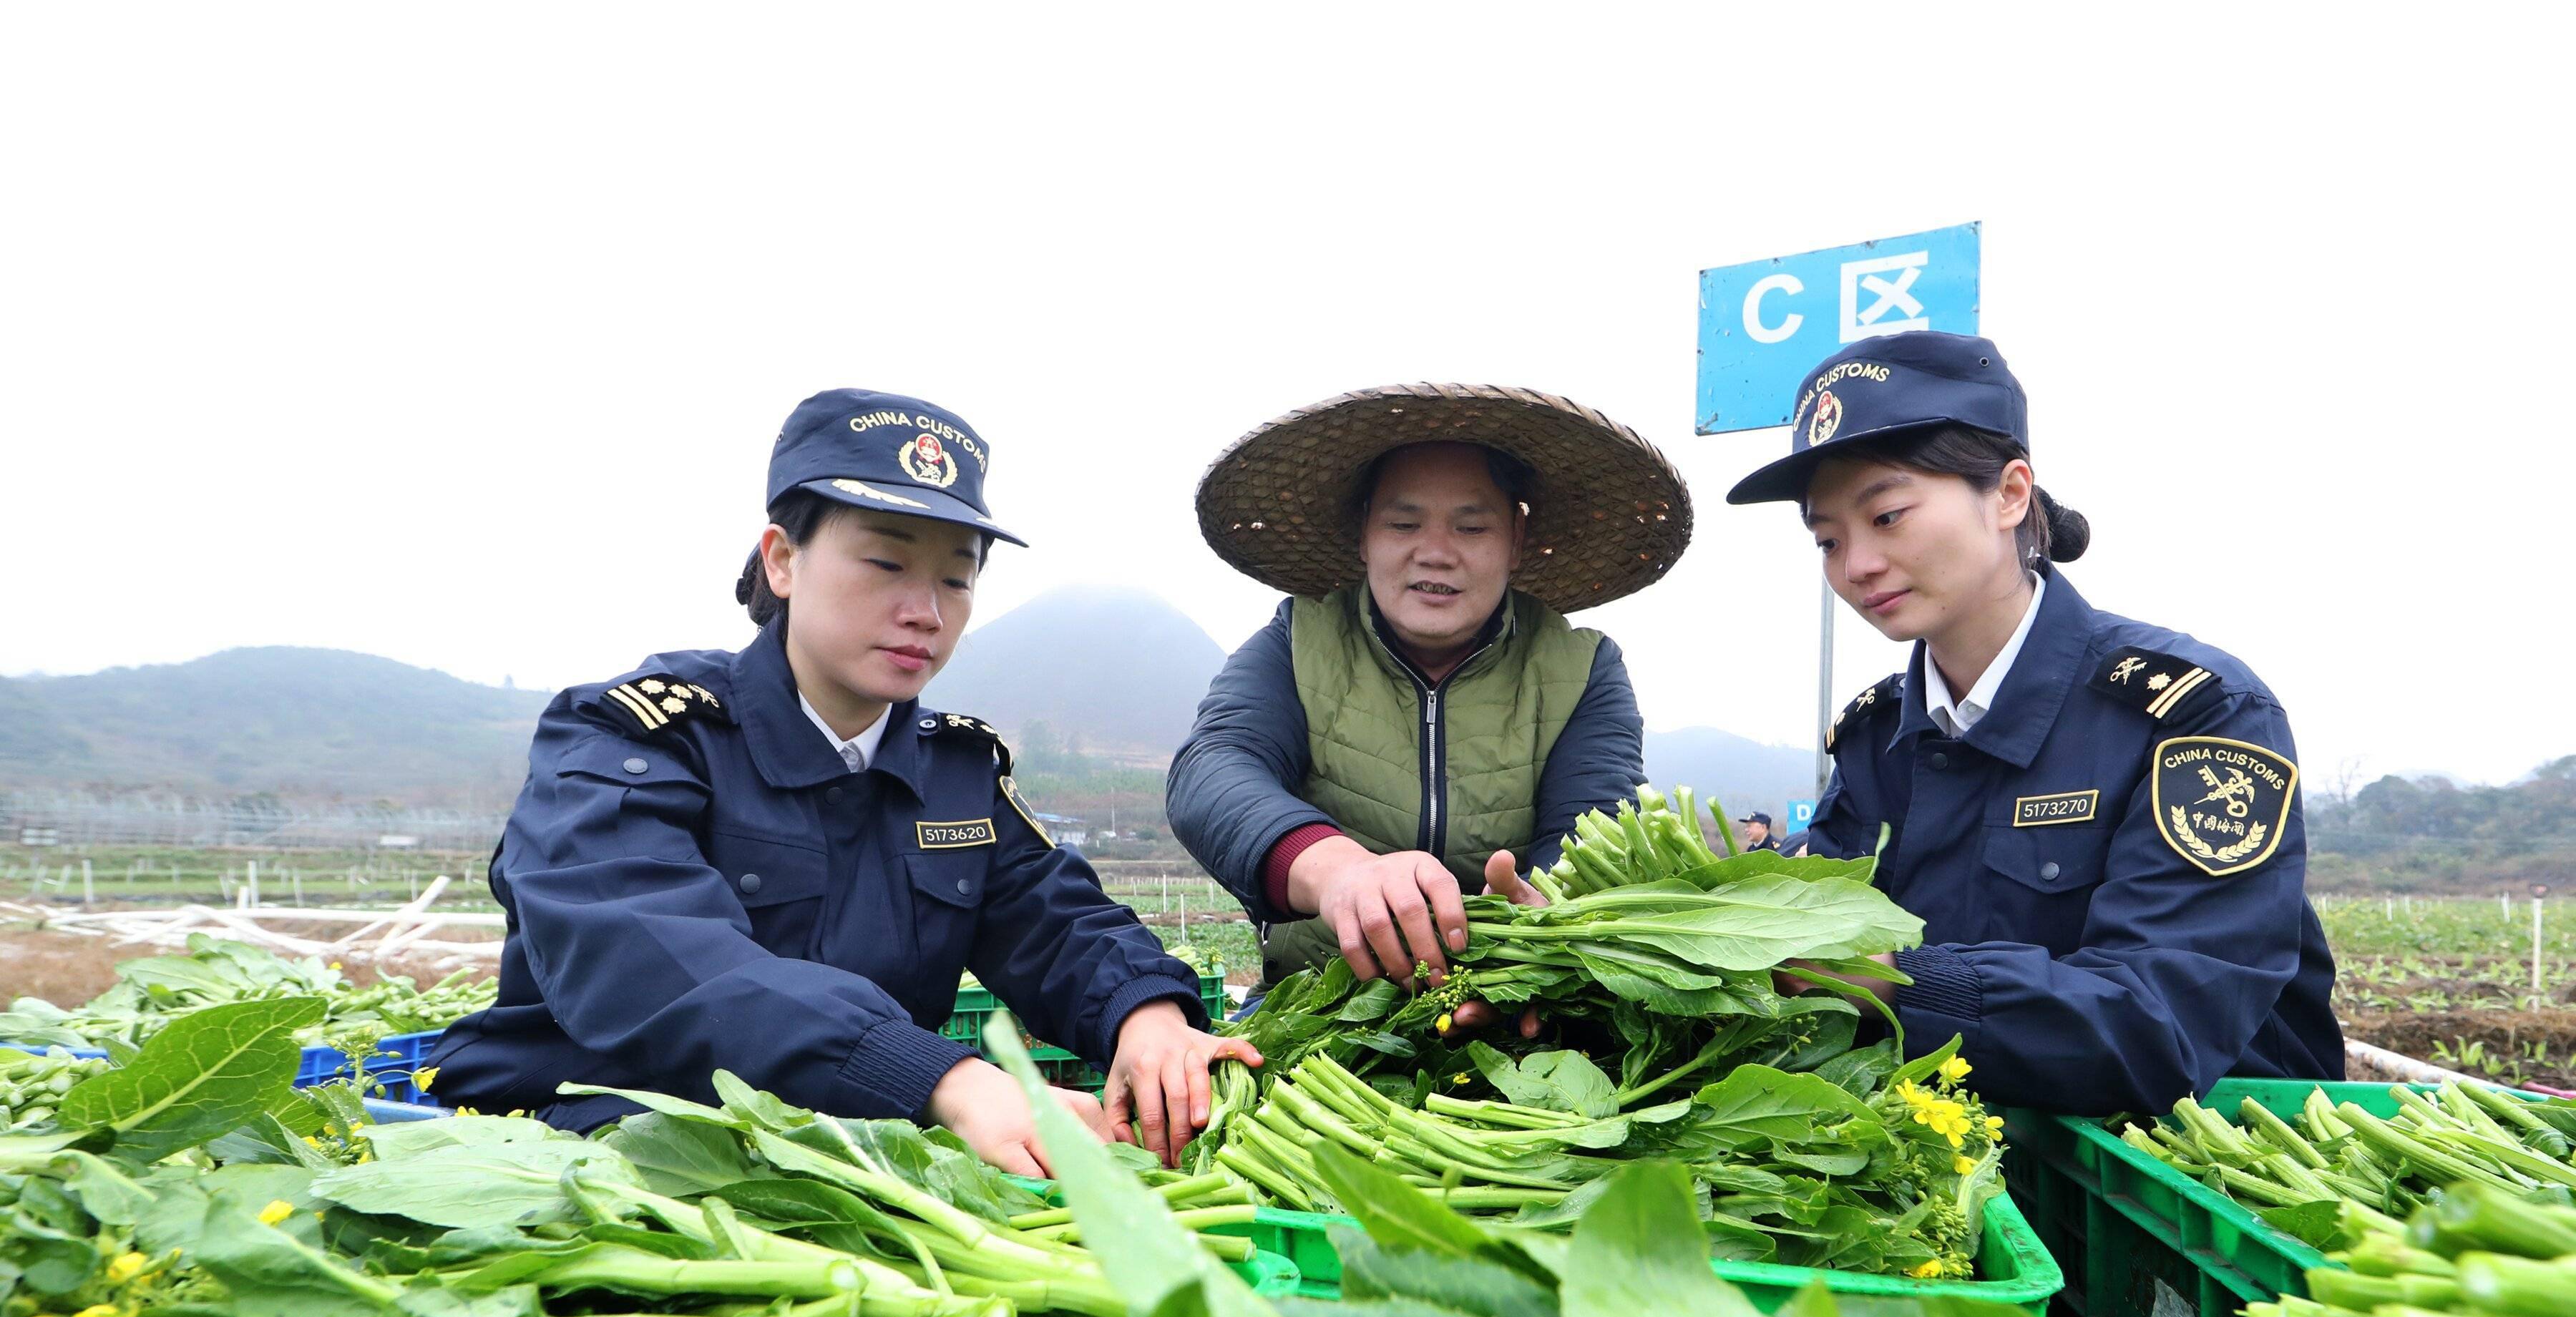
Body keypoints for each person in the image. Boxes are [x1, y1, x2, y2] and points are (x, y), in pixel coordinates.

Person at [429, 389, 1251, 1172]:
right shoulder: (634, 737)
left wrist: (1144, 1010)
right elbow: (650, 956)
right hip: (588, 1146)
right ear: (783, 560)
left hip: (847, 1157)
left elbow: (1052, 919)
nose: (927, 611)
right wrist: (941, 1078)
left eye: (957, 578)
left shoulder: (954, 774)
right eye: (887, 562)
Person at [1726, 332, 2341, 1112]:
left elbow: (2162, 1022)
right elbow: (1807, 927)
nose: (1857, 566)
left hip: (2198, 1160)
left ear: (2010, 495)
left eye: (1887, 515)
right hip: (1966, 1144)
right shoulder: (1875, 740)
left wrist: (1894, 980)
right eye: (1828, 540)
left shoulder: (2197, 714)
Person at [1169, 383, 1692, 1006]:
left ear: (1516, 539)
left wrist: (1526, 936)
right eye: (1403, 523)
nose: (1436, 553)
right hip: (1315, 1000)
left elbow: (1594, 828)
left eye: (1472, 527)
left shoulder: (1581, 669)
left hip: (1519, 996)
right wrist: (1340, 872)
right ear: (1364, 535)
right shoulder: (1298, 641)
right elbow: (1213, 769)